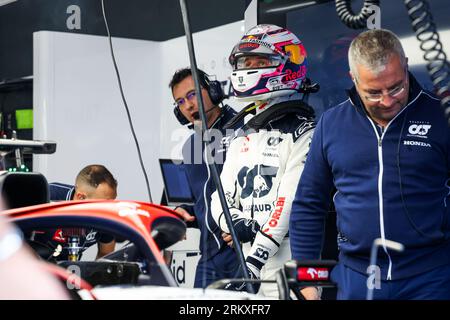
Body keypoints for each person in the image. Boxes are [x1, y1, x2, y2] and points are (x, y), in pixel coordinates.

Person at [289, 29, 450, 300]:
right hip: (356, 278)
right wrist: (306, 283)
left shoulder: (441, 116)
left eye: (396, 87)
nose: (387, 100)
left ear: (406, 66)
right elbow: (309, 204)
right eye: (373, 92)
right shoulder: (332, 124)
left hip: (431, 278)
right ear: (354, 79)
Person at [210, 24, 317, 298]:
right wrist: (231, 222)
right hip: (248, 267)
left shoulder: (304, 131)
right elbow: (219, 197)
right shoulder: (242, 132)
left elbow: (289, 203)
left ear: (287, 63)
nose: (249, 68)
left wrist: (255, 260)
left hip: (289, 265)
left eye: (261, 61)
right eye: (246, 62)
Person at [169, 68, 242, 288]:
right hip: (209, 255)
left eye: (192, 94)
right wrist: (183, 213)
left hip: (242, 251)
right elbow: (202, 202)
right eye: (180, 101)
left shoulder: (244, 128)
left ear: (213, 91)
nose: (188, 105)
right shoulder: (189, 146)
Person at [29, 164, 118, 260]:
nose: (108, 209)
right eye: (102, 204)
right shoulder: (47, 196)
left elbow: (105, 254)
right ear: (81, 197)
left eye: (111, 203)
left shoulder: (107, 215)